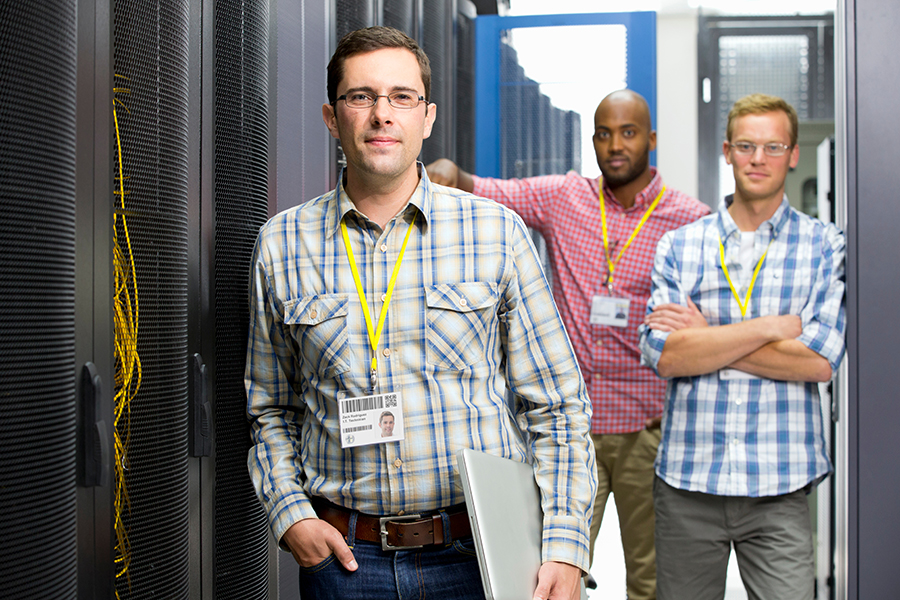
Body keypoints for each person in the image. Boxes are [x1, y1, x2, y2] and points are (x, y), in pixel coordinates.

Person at [245, 26, 596, 600]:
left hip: (478, 557)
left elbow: (557, 406)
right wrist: (289, 513)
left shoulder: (496, 234)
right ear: (332, 118)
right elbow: (269, 407)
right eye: (361, 97)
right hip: (344, 561)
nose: (382, 114)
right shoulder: (282, 244)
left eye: (401, 97)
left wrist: (563, 543)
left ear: (427, 117)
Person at [427, 89, 709, 598]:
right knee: (552, 571)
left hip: (648, 431)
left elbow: (714, 318)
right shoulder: (565, 197)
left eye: (628, 132)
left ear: (652, 140)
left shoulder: (690, 220)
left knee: (651, 575)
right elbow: (484, 188)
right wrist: (448, 173)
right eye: (603, 133)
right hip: (571, 433)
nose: (615, 145)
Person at [640, 93, 846, 600]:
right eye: (747, 146)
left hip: (781, 485)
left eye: (773, 146)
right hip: (688, 482)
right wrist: (773, 327)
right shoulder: (680, 245)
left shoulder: (826, 246)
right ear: (727, 151)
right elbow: (665, 355)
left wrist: (706, 332)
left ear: (793, 154)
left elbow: (819, 362)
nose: (759, 159)